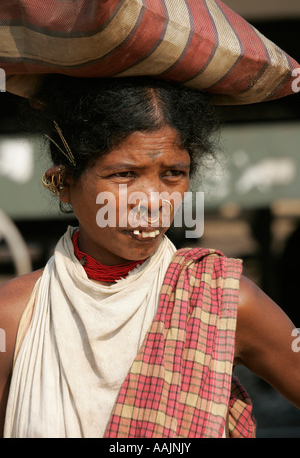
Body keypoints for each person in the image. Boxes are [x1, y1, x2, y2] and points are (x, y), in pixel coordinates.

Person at [0, 75, 299, 438]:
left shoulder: (223, 301)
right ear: (64, 183)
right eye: (124, 175)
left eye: (173, 174)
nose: (153, 202)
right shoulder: (15, 317)